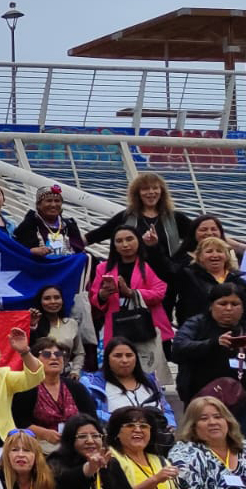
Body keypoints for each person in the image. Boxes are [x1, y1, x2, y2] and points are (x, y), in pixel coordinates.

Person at [171, 285, 246, 437]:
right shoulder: (197, 324)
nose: (229, 308)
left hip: (244, 402)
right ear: (211, 306)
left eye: (235, 304)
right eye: (223, 303)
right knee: (202, 446)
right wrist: (213, 344)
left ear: (243, 308)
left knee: (238, 446)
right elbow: (178, 349)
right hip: (201, 400)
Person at [91, 225, 172, 377]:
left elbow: (160, 292)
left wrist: (131, 293)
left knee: (148, 371)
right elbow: (94, 299)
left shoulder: (149, 264)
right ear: (114, 245)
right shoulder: (103, 268)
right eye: (119, 241)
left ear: (138, 241)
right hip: (116, 324)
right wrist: (103, 295)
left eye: (129, 239)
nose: (125, 244)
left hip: (146, 324)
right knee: (118, 369)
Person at [86, 172, 193, 282]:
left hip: (169, 276)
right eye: (145, 189)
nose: (151, 192)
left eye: (155, 188)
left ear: (162, 192)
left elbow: (198, 236)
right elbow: (99, 234)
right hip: (133, 276)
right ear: (137, 193)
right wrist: (73, 242)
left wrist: (185, 260)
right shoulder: (126, 217)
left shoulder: (175, 218)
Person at [81, 337, 179, 438]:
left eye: (129, 355)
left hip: (156, 440)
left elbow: (166, 409)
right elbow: (88, 413)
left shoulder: (150, 381)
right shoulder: (92, 384)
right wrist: (125, 421)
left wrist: (170, 424)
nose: (124, 360)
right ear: (107, 358)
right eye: (117, 356)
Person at [11, 338, 95, 454]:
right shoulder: (27, 388)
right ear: (34, 360)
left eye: (58, 354)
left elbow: (91, 419)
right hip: (39, 447)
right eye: (46, 354)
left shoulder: (76, 388)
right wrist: (44, 433)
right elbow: (19, 422)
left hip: (76, 446)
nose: (54, 357)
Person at [175, 236, 246, 329]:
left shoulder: (239, 282)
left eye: (219, 251)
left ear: (226, 256)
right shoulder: (188, 277)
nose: (215, 255)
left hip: (234, 333)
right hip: (199, 332)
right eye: (209, 251)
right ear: (200, 257)